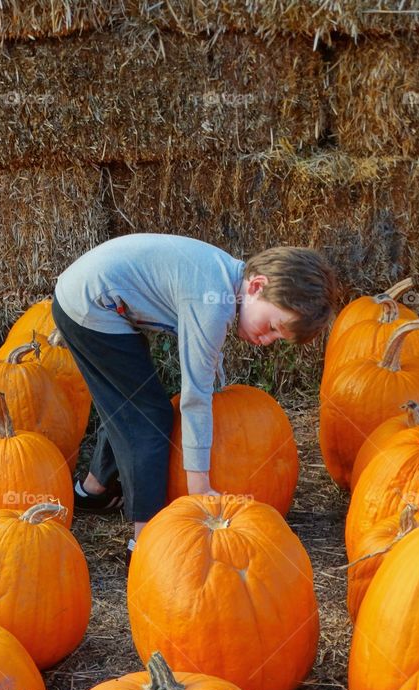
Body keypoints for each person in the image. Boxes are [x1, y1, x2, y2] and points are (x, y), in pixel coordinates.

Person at [51, 233, 338, 562]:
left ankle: (93, 491)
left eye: (278, 338)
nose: (267, 340)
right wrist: (199, 485)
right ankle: (145, 540)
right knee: (149, 416)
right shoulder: (211, 302)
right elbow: (194, 398)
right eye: (273, 326)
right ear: (257, 286)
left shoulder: (224, 276)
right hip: (90, 307)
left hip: (92, 296)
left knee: (129, 400)